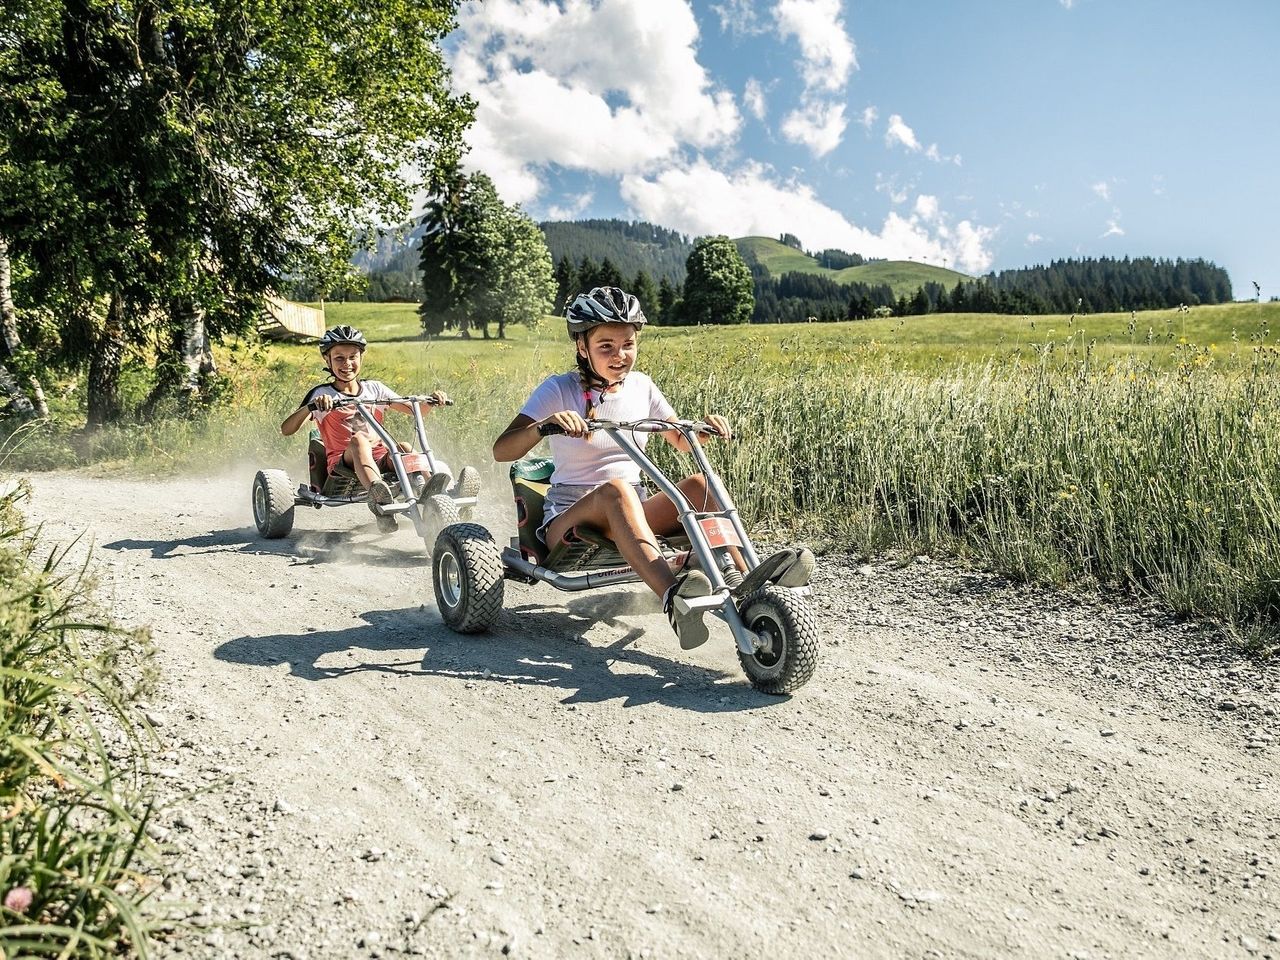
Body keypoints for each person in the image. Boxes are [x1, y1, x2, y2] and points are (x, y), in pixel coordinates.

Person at [492, 286, 812, 650]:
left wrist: (704, 426)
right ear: (583, 347)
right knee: (616, 488)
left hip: (632, 514)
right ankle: (672, 599)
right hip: (571, 519)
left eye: (628, 344)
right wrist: (544, 424)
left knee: (700, 484)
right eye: (606, 346)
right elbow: (502, 450)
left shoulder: (642, 386)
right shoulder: (558, 389)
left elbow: (677, 436)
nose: (619, 355)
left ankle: (747, 583)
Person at [281, 325, 448, 534]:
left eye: (353, 356)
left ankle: (435, 494)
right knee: (359, 439)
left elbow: (416, 411)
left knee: (404, 446)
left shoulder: (374, 389)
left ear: (361, 357)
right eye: (339, 358)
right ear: (327, 360)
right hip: (344, 464)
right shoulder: (322, 394)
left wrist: (432, 400)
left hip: (380, 460)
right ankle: (378, 499)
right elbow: (287, 429)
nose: (347, 364)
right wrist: (312, 406)